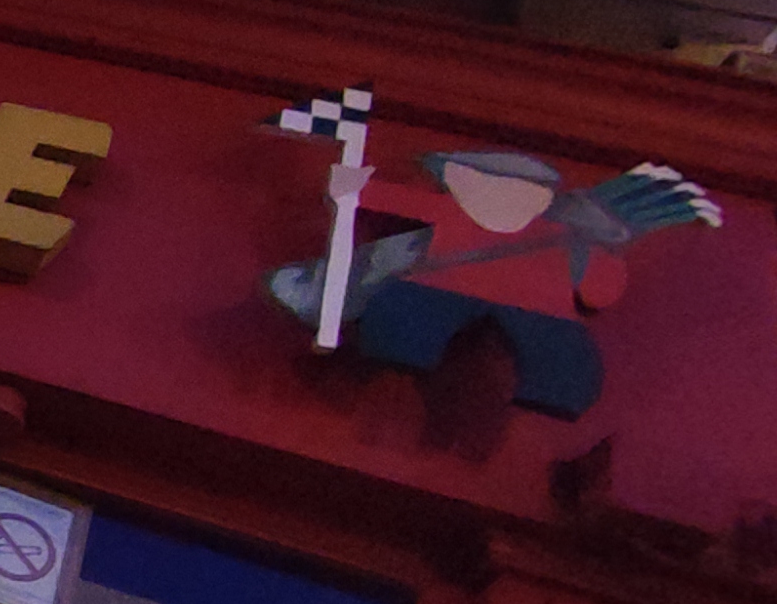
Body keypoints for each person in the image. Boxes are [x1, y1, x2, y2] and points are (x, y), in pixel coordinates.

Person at [276, 152, 717, 419]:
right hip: (431, 309)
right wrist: (352, 189)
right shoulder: (451, 220)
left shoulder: (564, 236)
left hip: (510, 323)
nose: (501, 198)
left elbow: (602, 289)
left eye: (522, 190)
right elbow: (381, 198)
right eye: (481, 183)